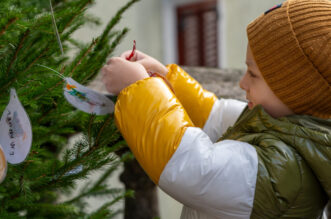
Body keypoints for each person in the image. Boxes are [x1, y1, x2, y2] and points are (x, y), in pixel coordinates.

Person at [102, 0, 331, 218]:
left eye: (253, 74)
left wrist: (139, 89)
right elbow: (215, 114)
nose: (242, 83)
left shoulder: (283, 172)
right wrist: (166, 80)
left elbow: (192, 168)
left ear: (296, 91)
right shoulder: (284, 126)